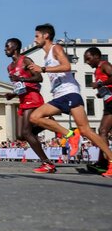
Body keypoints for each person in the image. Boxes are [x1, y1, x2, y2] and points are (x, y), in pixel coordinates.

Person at [28, 23, 112, 178]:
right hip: (59, 95)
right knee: (35, 117)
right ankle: (70, 135)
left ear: (46, 36)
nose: (35, 40)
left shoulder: (56, 48)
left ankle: (111, 160)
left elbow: (67, 66)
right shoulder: (46, 56)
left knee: (86, 130)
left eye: (37, 36)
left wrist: (43, 69)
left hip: (70, 93)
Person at [4, 38, 55, 173]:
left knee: (27, 132)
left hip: (32, 98)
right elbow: (20, 87)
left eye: (7, 47)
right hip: (22, 99)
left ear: (15, 47)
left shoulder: (26, 60)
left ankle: (47, 163)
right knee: (21, 135)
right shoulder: (9, 67)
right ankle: (48, 123)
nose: (5, 49)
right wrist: (13, 94)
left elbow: (39, 77)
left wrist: (21, 78)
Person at [83, 47, 112, 174]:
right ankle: (103, 162)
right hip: (108, 102)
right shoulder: (97, 70)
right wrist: (102, 92)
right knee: (102, 131)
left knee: (103, 131)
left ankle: (107, 162)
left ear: (96, 56)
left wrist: (100, 85)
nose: (87, 62)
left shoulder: (105, 65)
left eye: (88, 59)